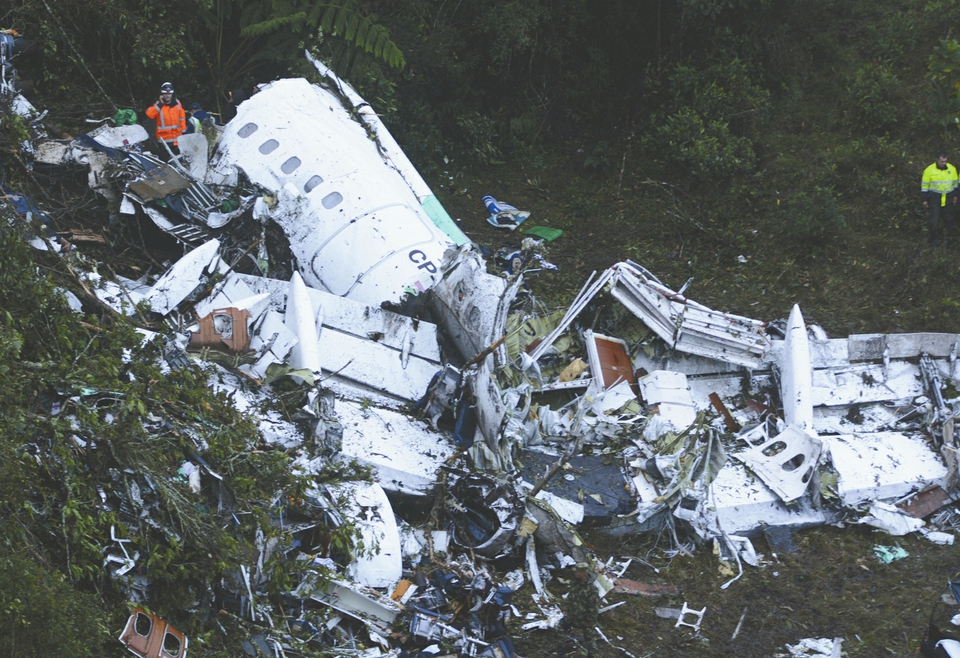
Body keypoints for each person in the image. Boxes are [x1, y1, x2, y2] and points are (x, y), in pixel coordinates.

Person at [921, 151, 959, 246]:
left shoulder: (952, 169)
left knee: (949, 220)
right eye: (942, 161)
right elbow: (924, 186)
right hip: (935, 198)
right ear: (937, 160)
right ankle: (932, 240)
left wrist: (955, 196)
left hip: (948, 198)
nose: (944, 163)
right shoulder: (929, 170)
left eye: (945, 161)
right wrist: (924, 199)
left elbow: (955, 184)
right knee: (934, 220)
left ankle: (947, 240)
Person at [145, 82, 186, 153]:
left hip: (177, 140)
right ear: (162, 94)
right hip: (164, 141)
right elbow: (149, 114)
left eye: (169, 94)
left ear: (172, 94)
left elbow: (182, 118)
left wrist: (183, 132)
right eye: (165, 94)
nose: (167, 96)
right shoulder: (158, 105)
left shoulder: (177, 103)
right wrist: (160, 105)